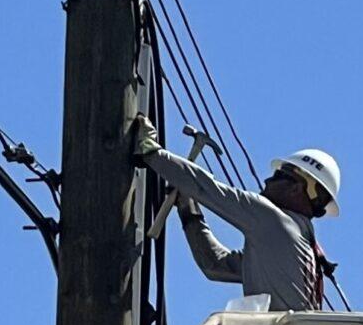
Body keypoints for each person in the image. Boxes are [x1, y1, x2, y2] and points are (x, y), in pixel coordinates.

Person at [129, 118, 340, 311]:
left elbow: (205, 188)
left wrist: (150, 152)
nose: (266, 181)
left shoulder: (274, 220)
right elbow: (215, 265)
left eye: (277, 176)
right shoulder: (294, 248)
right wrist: (188, 208)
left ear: (296, 188)